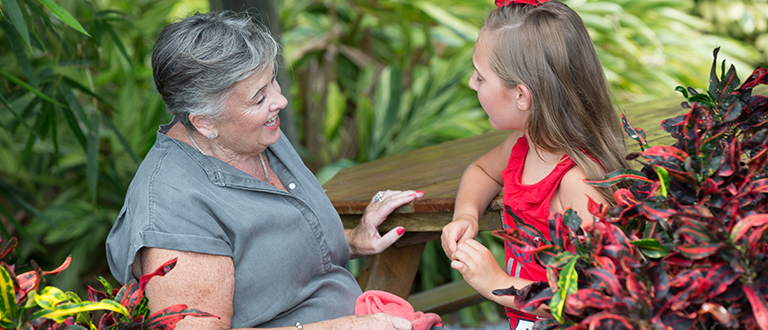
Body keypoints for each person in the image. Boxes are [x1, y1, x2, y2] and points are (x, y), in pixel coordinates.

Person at [106, 11, 425, 330]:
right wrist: (345, 327)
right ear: (204, 122)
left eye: (272, 80)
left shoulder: (250, 132)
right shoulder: (172, 209)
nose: (280, 100)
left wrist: (355, 240)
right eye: (259, 98)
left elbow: (269, 251)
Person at [440, 0, 631, 329]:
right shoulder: (524, 145)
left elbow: (593, 297)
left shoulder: (577, 183)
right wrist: (466, 215)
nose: (472, 84)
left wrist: (496, 283)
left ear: (521, 96)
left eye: (481, 77)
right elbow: (481, 171)